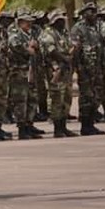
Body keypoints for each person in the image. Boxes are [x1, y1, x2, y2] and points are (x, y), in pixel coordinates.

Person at [39, 9, 77, 137]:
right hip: (55, 69)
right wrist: (64, 59)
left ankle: (64, 126)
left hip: (65, 69)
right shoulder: (48, 34)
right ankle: (57, 128)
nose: (62, 22)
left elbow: (69, 46)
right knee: (57, 99)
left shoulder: (63, 33)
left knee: (67, 98)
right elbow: (51, 51)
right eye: (59, 20)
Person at [70, 3, 105, 135]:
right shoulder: (78, 28)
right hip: (85, 69)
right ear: (84, 13)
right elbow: (75, 50)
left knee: (96, 95)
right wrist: (79, 67)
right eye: (91, 12)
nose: (94, 14)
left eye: (95, 12)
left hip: (96, 67)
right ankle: (85, 125)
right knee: (86, 97)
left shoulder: (94, 28)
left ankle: (91, 122)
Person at [7, 10, 43, 140]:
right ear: (20, 22)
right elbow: (15, 45)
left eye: (30, 22)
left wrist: (35, 47)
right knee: (21, 100)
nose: (29, 24)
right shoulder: (15, 34)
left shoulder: (30, 34)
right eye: (27, 22)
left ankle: (29, 124)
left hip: (31, 70)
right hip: (19, 71)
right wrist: (28, 48)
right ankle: (22, 127)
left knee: (32, 99)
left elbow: (38, 47)